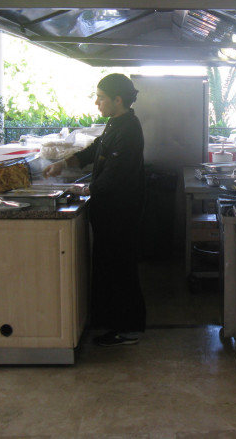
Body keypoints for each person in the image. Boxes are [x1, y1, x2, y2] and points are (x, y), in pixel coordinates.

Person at [43, 73, 146, 347]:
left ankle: (128, 329)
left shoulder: (129, 129)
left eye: (100, 97)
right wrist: (63, 164)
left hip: (121, 211)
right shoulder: (116, 123)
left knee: (120, 268)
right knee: (110, 266)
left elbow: (116, 173)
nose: (96, 102)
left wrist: (86, 189)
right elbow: (94, 150)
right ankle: (114, 323)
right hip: (109, 209)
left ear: (117, 99)